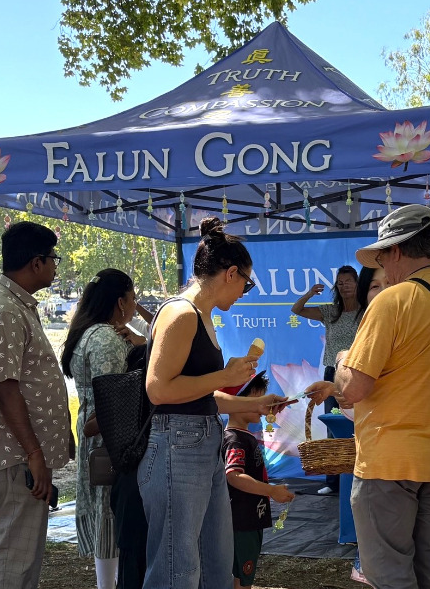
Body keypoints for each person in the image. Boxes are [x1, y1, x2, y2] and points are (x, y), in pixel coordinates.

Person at [307, 204, 430, 589]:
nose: (383, 269)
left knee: (389, 574)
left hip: (388, 462)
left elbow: (354, 388)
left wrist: (342, 360)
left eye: (383, 257)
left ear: (397, 250)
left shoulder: (392, 301)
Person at [140, 216, 286, 589]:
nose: (244, 293)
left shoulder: (201, 315)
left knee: (216, 564)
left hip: (200, 443)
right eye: (246, 284)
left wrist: (252, 403)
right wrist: (225, 376)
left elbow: (200, 395)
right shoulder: (181, 313)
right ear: (231, 273)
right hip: (177, 447)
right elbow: (158, 391)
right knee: (178, 569)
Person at [0, 221, 73, 589]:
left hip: (23, 454)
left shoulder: (16, 305)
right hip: (15, 456)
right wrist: (33, 452)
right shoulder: (4, 311)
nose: (55, 267)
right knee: (14, 559)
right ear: (36, 263)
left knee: (24, 557)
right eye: (53, 259)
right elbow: (6, 389)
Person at [60, 268, 146, 589]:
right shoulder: (107, 340)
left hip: (96, 433)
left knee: (103, 510)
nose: (135, 306)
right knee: (111, 514)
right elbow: (112, 398)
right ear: (120, 302)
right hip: (110, 439)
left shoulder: (88, 333)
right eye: (133, 299)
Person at [291, 264, 359, 494]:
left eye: (348, 281)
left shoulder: (366, 311)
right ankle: (333, 482)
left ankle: (358, 475)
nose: (344, 286)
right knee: (334, 422)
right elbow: (296, 309)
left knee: (359, 423)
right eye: (340, 282)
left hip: (359, 373)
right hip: (333, 374)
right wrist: (310, 293)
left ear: (357, 284)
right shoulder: (331, 312)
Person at [223, 372, 295, 589]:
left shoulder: (245, 436)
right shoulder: (235, 439)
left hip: (250, 520)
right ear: (236, 402)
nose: (261, 406)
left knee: (244, 576)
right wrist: (271, 491)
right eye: (256, 400)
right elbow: (233, 475)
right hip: (241, 523)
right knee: (240, 578)